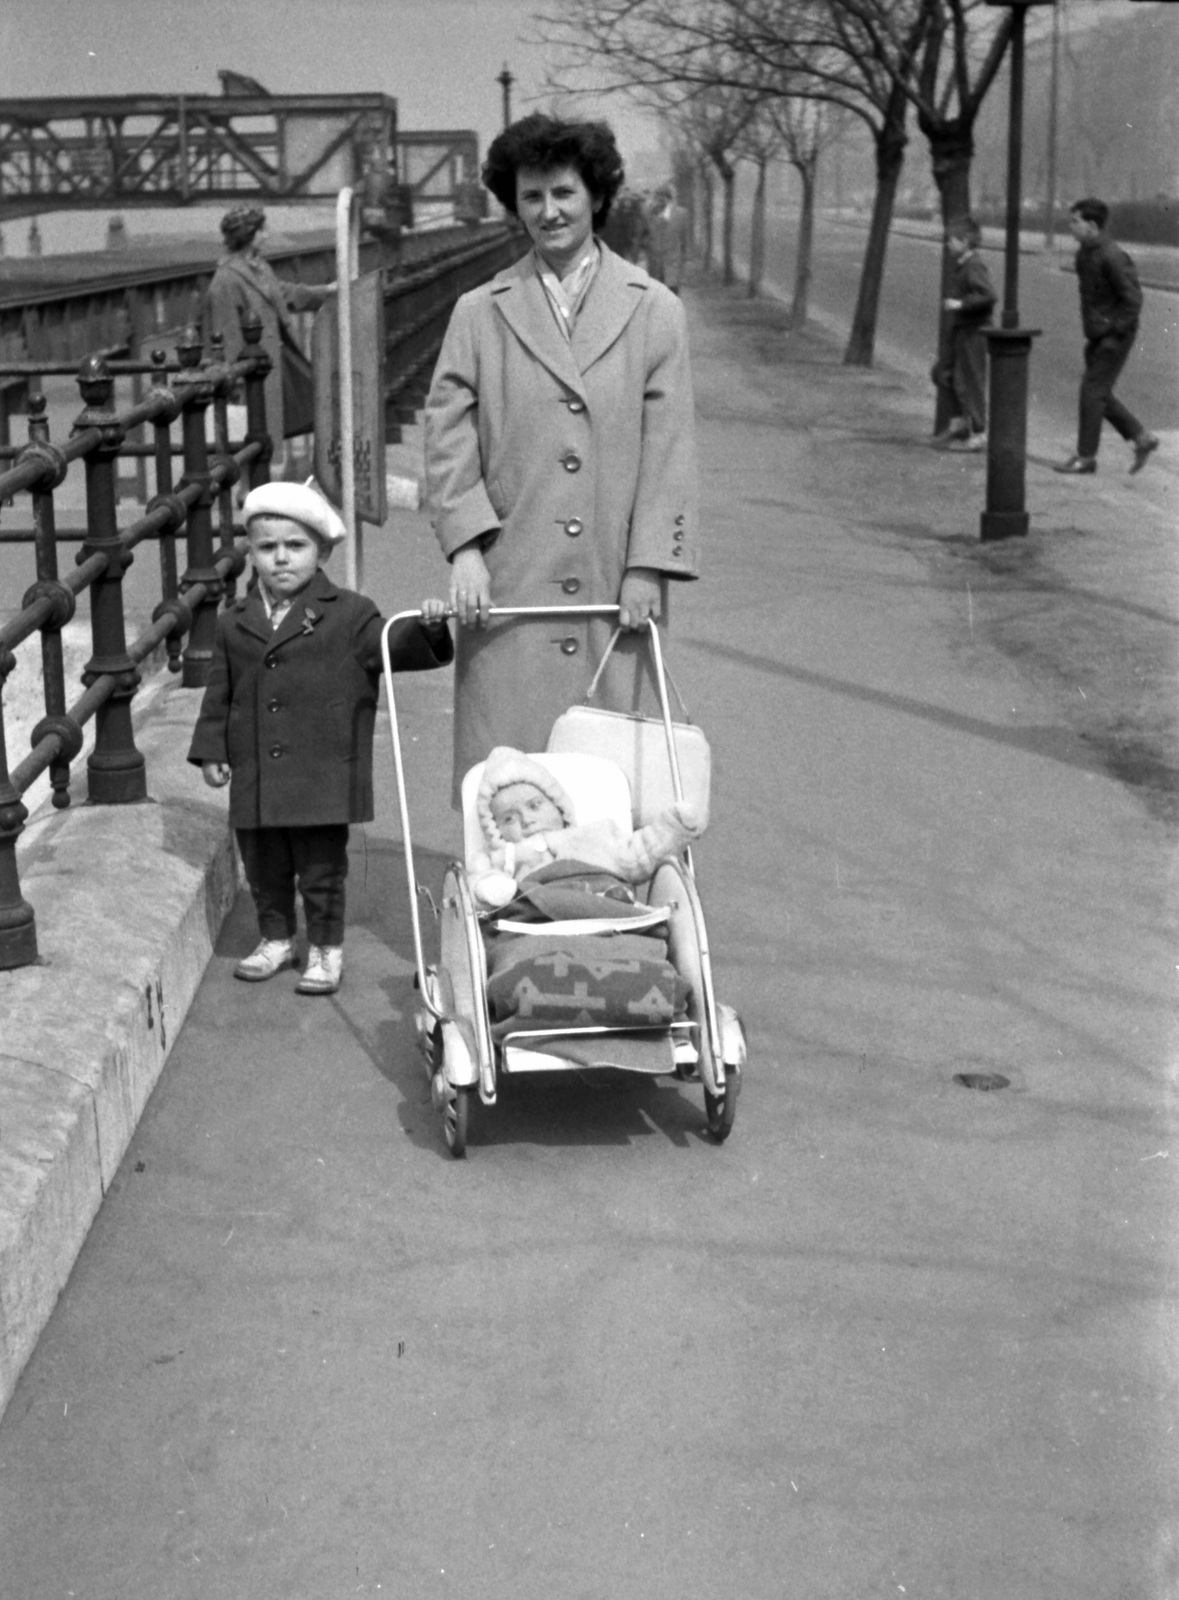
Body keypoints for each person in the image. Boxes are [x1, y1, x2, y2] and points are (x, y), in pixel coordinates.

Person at [424, 113, 699, 807]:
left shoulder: (654, 310)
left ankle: (605, 902)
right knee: (508, 786)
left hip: (612, 581)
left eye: (563, 194)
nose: (548, 212)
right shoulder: (477, 312)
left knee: (611, 783)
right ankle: (504, 903)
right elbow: (447, 433)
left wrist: (647, 567)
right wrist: (464, 550)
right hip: (510, 579)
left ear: (596, 196)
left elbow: (669, 449)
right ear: (513, 206)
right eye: (532, 197)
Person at [187, 481, 453, 995]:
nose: (281, 559)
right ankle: (276, 937)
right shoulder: (233, 622)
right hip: (258, 773)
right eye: (267, 548)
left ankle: (327, 949)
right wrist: (212, 750)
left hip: (322, 773)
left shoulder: (350, 613)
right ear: (252, 553)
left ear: (323, 551)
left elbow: (391, 643)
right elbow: (221, 691)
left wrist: (429, 629)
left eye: (296, 546)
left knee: (321, 869)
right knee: (263, 865)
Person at [469, 746, 701, 910]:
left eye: (535, 805)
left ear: (559, 806)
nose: (527, 820)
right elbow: (476, 888)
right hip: (534, 924)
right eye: (509, 819)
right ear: (495, 830)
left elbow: (639, 854)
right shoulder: (502, 860)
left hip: (606, 911)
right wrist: (488, 887)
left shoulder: (595, 836)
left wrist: (671, 829)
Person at [205, 205, 333, 467]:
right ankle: (249, 496)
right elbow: (228, 338)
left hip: (271, 369)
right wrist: (236, 385)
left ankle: (260, 489)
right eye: (261, 230)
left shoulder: (259, 267)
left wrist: (327, 292)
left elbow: (284, 294)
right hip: (253, 379)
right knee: (254, 447)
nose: (266, 235)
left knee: (270, 444)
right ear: (248, 235)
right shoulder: (226, 281)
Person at [1053, 198, 1159, 476]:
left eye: (1075, 222)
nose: (1071, 227)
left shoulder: (1112, 255)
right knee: (1098, 394)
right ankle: (1141, 438)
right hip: (1097, 335)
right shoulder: (1084, 255)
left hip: (1113, 337)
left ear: (1091, 225)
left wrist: (1114, 330)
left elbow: (1133, 299)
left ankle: (1086, 457)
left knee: (1091, 392)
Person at [931, 217, 996, 452]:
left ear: (965, 241)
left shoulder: (974, 265)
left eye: (951, 240)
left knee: (972, 382)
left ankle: (979, 433)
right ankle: (959, 424)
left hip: (974, 331)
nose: (947, 244)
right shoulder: (963, 263)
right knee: (944, 373)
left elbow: (988, 295)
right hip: (962, 330)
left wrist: (960, 304)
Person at [646, 184, 689, 294]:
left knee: (672, 299)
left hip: (672, 267)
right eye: (656, 199)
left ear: (668, 199)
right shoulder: (649, 214)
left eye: (660, 199)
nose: (657, 202)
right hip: (654, 268)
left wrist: (681, 263)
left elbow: (684, 241)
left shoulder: (681, 214)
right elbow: (643, 236)